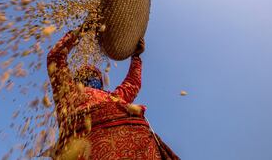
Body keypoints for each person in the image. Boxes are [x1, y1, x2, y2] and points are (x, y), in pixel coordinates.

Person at [46, 24, 180, 160]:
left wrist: (136, 57)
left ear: (100, 83)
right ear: (76, 80)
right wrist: (80, 31)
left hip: (140, 147)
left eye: (94, 76)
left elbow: (132, 83)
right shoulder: (67, 93)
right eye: (84, 75)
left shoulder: (114, 97)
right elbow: (55, 57)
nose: (89, 78)